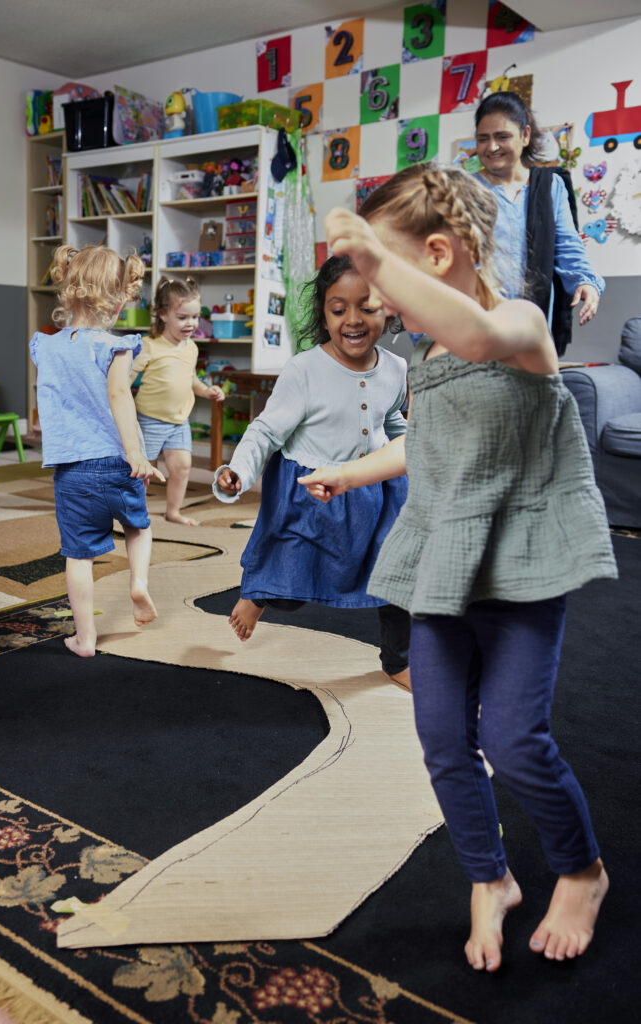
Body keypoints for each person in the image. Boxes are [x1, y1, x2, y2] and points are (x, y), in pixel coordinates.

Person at [299, 164, 617, 971]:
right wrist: (354, 470)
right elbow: (424, 442)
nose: (379, 307)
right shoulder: (427, 352)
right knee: (441, 737)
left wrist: (370, 258)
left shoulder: (516, 322)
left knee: (512, 740)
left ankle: (581, 869)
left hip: (518, 560)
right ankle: (490, 878)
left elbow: (477, 339)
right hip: (443, 557)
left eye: (387, 280)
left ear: (437, 255)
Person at [213, 255, 412, 690]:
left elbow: (391, 421)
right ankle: (259, 594)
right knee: (291, 584)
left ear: (390, 309)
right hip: (310, 494)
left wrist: (413, 441)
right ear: (323, 312)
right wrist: (239, 471)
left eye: (367, 307)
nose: (353, 320)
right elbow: (265, 431)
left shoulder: (396, 369)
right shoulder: (304, 369)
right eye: (339, 309)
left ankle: (398, 660)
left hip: (375, 494)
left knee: (399, 573)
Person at [30, 244, 165, 658]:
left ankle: (85, 638)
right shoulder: (116, 347)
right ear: (121, 299)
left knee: (79, 555)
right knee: (139, 527)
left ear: (67, 288)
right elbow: (119, 395)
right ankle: (138, 581)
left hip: (72, 469)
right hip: (117, 461)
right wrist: (135, 454)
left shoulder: (44, 346)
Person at [474, 91, 604, 354]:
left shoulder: (550, 186)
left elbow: (567, 246)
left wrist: (585, 281)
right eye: (482, 138)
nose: (491, 147)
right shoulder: (463, 189)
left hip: (532, 326)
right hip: (477, 324)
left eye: (502, 136)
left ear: (525, 135)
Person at [130, 276, 225, 526]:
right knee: (143, 472)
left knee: (182, 466)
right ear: (163, 315)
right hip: (149, 420)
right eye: (182, 317)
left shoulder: (191, 348)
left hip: (179, 421)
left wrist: (207, 391)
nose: (191, 324)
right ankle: (135, 511)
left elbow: (191, 378)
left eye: (195, 317)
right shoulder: (149, 346)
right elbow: (127, 377)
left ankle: (173, 511)